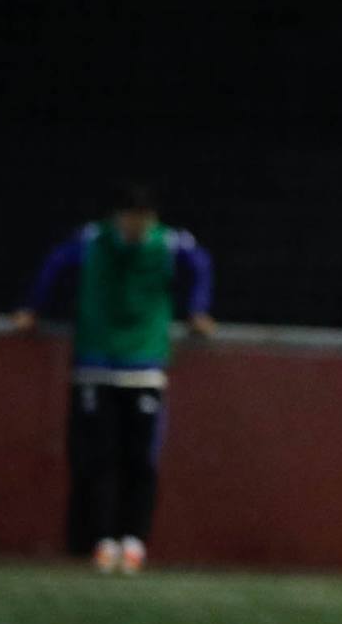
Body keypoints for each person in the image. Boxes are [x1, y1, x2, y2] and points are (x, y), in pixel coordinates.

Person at [13, 181, 217, 574]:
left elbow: (202, 265)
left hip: (144, 366)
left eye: (144, 219)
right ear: (118, 216)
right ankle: (102, 541)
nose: (137, 227)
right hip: (96, 362)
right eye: (131, 218)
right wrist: (33, 307)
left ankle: (133, 542)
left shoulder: (170, 245)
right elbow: (55, 264)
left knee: (140, 460)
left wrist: (198, 309)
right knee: (99, 457)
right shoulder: (93, 241)